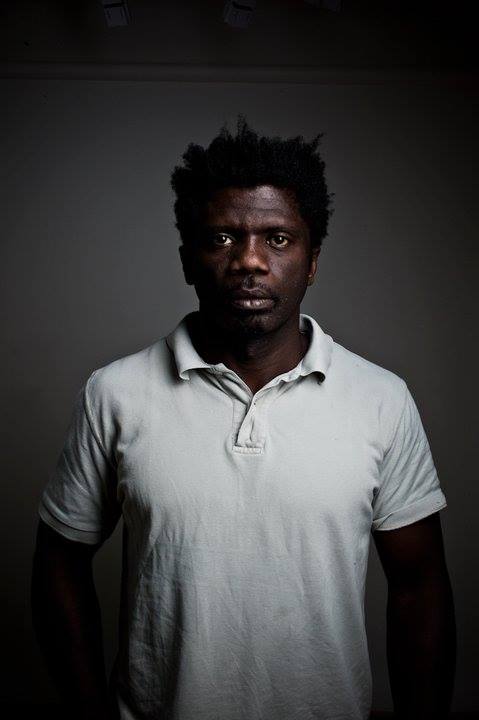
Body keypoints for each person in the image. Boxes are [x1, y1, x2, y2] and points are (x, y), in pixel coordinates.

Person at [32, 117, 456, 720]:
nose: (250, 261)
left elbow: (419, 587)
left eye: (278, 239)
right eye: (223, 238)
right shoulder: (114, 393)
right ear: (188, 260)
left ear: (312, 261)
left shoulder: (382, 398)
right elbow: (59, 561)